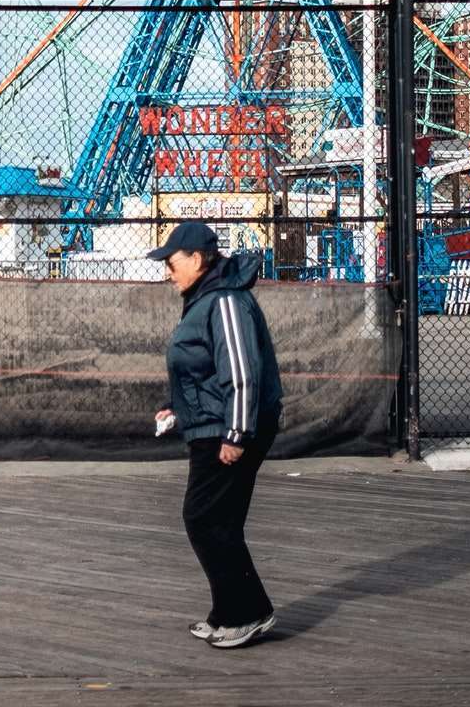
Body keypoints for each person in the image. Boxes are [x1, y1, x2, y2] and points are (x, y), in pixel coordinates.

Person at [151, 219, 282, 649]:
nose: (167, 271)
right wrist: (178, 407)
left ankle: (248, 613)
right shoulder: (206, 297)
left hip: (229, 428)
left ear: (196, 258)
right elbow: (202, 369)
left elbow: (242, 370)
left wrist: (236, 434)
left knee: (204, 519)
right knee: (219, 522)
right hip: (211, 423)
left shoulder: (224, 299)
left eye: (171, 263)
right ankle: (231, 612)